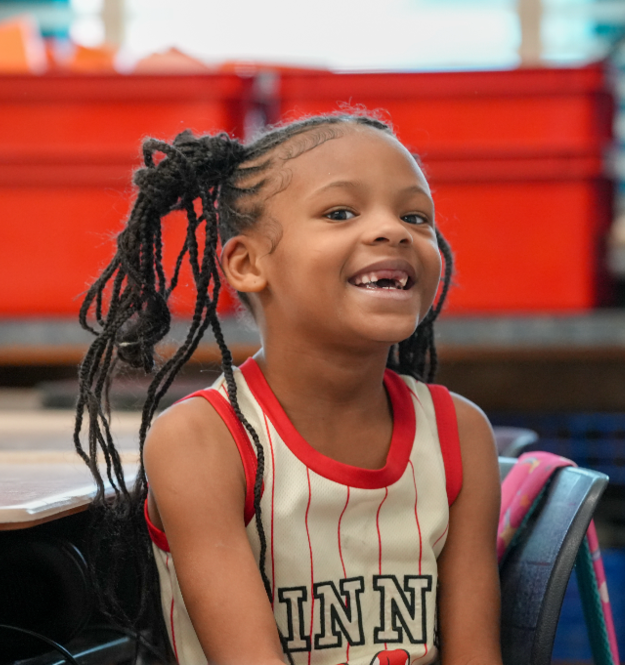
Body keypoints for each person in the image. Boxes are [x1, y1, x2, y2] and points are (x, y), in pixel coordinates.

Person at [74, 112, 502, 665]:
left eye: (415, 216)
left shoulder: (459, 434)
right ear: (249, 264)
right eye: (340, 212)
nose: (393, 230)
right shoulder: (201, 441)